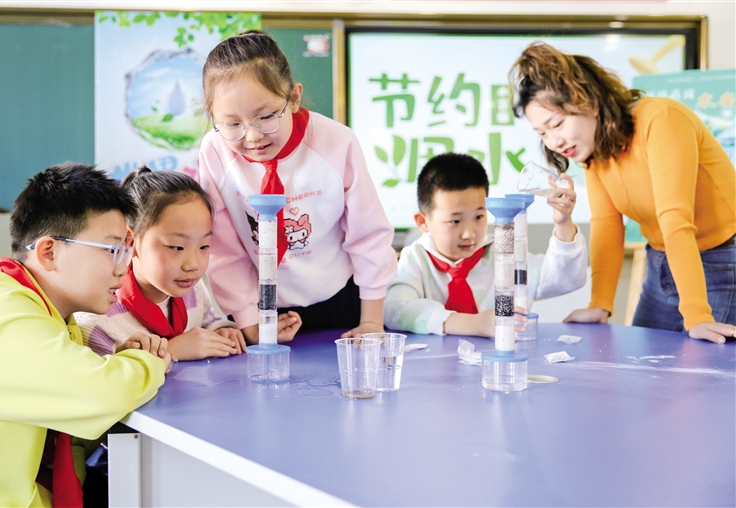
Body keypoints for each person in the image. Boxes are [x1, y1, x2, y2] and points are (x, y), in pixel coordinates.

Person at [0, 163, 172, 508]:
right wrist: (149, 361)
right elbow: (105, 394)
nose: (122, 268)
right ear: (49, 252)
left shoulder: (50, 315)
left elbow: (72, 425)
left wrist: (120, 359)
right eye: (111, 250)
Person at [510, 41, 736, 343]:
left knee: (704, 366)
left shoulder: (662, 119)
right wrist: (600, 304)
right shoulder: (595, 151)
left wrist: (697, 315)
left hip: (722, 260)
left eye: (558, 124)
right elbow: (607, 224)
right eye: (542, 133)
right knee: (646, 363)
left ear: (589, 101)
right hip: (661, 263)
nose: (554, 142)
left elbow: (675, 220)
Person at [198, 30, 397, 344]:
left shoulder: (337, 142)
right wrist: (251, 323)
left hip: (340, 298)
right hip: (259, 306)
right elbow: (224, 248)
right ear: (212, 115)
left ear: (293, 98)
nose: (252, 136)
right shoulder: (215, 151)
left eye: (266, 117)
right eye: (233, 124)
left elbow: (368, 233)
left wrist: (371, 320)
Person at [384, 152, 587, 336]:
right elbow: (394, 309)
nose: (469, 233)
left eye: (479, 217)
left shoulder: (501, 252)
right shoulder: (415, 259)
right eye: (455, 221)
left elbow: (563, 278)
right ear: (423, 221)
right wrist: (474, 324)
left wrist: (563, 223)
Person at [77, 167, 247, 360]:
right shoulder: (98, 319)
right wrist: (170, 351)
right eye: (176, 247)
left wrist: (221, 330)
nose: (193, 264)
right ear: (129, 239)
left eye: (204, 246)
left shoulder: (193, 289)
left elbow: (207, 322)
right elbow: (107, 375)